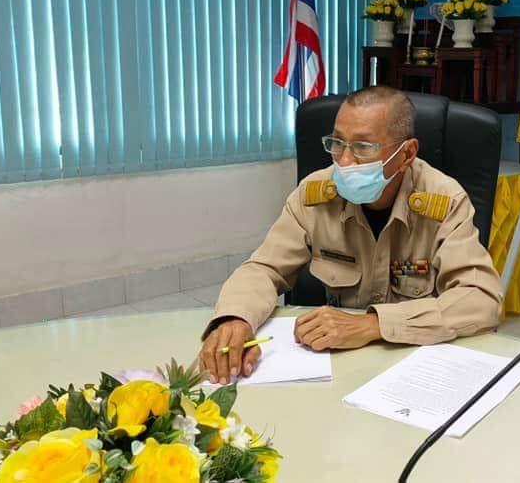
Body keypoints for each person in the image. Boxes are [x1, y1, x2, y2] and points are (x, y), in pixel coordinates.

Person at [199, 86, 503, 385]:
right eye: (337, 143)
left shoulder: (443, 201)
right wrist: (235, 318)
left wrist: (372, 325)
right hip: (333, 364)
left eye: (363, 147)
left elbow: (481, 299)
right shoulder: (314, 195)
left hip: (414, 363)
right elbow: (264, 269)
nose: (344, 161)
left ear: (407, 154)